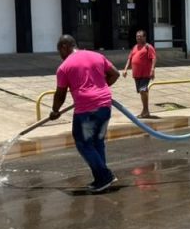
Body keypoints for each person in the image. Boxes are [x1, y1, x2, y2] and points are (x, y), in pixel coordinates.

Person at [49, 35, 120, 193]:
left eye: (59, 51)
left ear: (65, 47)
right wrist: (99, 88)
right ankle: (101, 179)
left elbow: (60, 94)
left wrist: (55, 111)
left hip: (86, 110)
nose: (60, 55)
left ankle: (104, 176)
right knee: (97, 142)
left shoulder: (64, 67)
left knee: (83, 143)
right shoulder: (97, 56)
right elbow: (115, 74)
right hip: (104, 106)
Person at [122, 29, 157, 118]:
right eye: (137, 36)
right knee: (141, 92)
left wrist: (152, 70)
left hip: (145, 73)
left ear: (145, 37)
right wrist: (125, 69)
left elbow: (153, 58)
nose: (138, 38)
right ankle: (145, 111)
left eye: (140, 36)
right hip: (136, 74)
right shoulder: (135, 47)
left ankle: (146, 111)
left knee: (142, 90)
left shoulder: (148, 47)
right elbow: (130, 58)